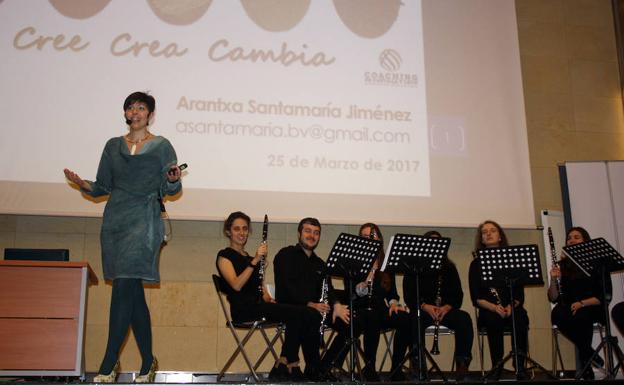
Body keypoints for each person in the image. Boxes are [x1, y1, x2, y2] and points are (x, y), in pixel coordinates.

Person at [63, 91, 182, 383]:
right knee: (132, 293)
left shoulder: (161, 146)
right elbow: (102, 185)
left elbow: (171, 189)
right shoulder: (113, 146)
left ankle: (108, 362)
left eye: (142, 107)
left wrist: (173, 178)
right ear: (126, 114)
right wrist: (82, 184)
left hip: (145, 220)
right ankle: (147, 361)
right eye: (131, 107)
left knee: (124, 286)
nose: (136, 112)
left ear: (150, 114)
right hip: (116, 220)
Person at [216, 211, 311, 381]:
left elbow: (260, 290)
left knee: (299, 311)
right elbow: (237, 285)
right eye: (237, 229)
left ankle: (284, 362)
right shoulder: (224, 256)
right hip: (243, 310)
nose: (242, 233)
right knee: (295, 314)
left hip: (258, 306)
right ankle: (289, 363)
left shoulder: (250, 258)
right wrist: (254, 261)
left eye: (245, 229)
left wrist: (271, 299)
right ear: (228, 232)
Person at [321, 223, 412, 381]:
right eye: (365, 236)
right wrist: (362, 285)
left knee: (405, 320)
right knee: (371, 316)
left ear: (379, 239)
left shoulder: (386, 264)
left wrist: (393, 303)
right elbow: (350, 294)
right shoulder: (353, 262)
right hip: (360, 308)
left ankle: (396, 368)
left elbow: (392, 294)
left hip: (380, 309)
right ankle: (370, 367)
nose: (370, 239)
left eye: (373, 235)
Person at [273, 217, 350, 381]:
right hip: (290, 309)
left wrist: (336, 305)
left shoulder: (321, 264)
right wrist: (310, 304)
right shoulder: (285, 255)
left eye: (316, 233)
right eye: (307, 231)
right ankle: (312, 367)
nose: (312, 235)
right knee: (308, 314)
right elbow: (284, 288)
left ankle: (324, 366)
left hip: (316, 311)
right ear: (299, 233)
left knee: (350, 323)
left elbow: (328, 289)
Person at [404, 230, 473, 381]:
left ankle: (462, 363)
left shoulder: (449, 268)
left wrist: (447, 307)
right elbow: (408, 296)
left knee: (464, 318)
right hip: (424, 310)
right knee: (413, 319)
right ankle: (418, 364)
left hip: (445, 311)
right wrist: (425, 306)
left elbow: (458, 295)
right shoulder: (413, 268)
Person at [468, 220, 529, 380]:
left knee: (520, 317)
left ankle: (520, 364)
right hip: (489, 309)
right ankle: (497, 364)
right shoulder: (476, 264)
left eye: (493, 230)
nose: (488, 234)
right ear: (481, 239)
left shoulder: (513, 261)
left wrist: (510, 306)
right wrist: (494, 307)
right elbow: (476, 297)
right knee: (492, 319)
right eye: (484, 232)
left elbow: (519, 295)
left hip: (511, 307)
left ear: (500, 236)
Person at [549, 226, 610, 380]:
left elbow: (604, 295)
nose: (572, 240)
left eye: (577, 237)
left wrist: (582, 303)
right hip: (569, 307)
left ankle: (585, 365)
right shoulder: (563, 265)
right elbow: (553, 297)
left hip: (592, 306)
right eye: (569, 238)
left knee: (581, 316)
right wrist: (553, 279)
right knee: (556, 313)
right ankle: (589, 354)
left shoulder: (598, 264)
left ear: (586, 241)